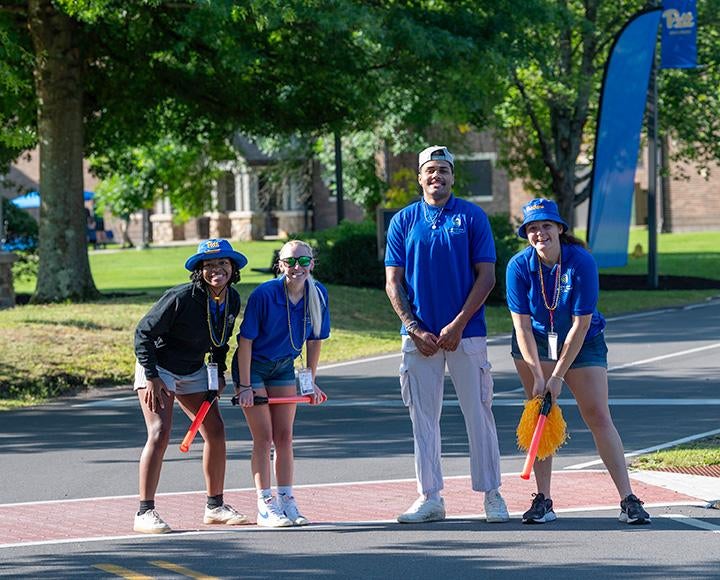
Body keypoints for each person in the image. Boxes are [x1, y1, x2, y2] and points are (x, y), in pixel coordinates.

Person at [384, 145, 509, 524]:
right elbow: (393, 281)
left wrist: (457, 324)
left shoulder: (472, 217)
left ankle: (492, 495)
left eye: (443, 170)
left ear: (453, 176)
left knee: (479, 414)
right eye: (430, 170)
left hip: (466, 335)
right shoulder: (403, 221)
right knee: (423, 419)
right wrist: (414, 328)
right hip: (418, 338)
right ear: (419, 177)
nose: (436, 176)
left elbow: (486, 277)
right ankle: (430, 497)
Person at [506, 198, 651, 525]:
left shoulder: (580, 262)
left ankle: (628, 499)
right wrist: (538, 375)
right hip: (537, 342)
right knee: (541, 411)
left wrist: (557, 376)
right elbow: (522, 326)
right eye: (532, 228)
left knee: (598, 413)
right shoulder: (518, 266)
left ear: (559, 228)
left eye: (546, 226)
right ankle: (543, 499)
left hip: (581, 339)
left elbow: (580, 324)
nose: (540, 233)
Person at [133, 239, 249, 533]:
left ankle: (215, 506)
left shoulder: (231, 299)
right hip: (158, 367)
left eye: (222, 263)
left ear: (232, 268)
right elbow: (142, 333)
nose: (216, 270)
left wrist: (219, 373)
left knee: (216, 430)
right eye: (208, 265)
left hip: (194, 368)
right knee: (160, 433)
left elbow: (220, 342)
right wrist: (151, 376)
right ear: (199, 271)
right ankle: (144, 512)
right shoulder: (181, 298)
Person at [231, 240, 330, 528]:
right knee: (263, 437)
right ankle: (265, 504)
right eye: (289, 261)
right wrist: (246, 386)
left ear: (312, 263)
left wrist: (310, 383)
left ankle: (287, 500)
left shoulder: (318, 293)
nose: (296, 267)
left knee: (284, 437)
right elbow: (245, 341)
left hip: (284, 366)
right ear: (280, 264)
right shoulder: (265, 294)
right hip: (254, 367)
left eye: (302, 261)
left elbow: (314, 340)